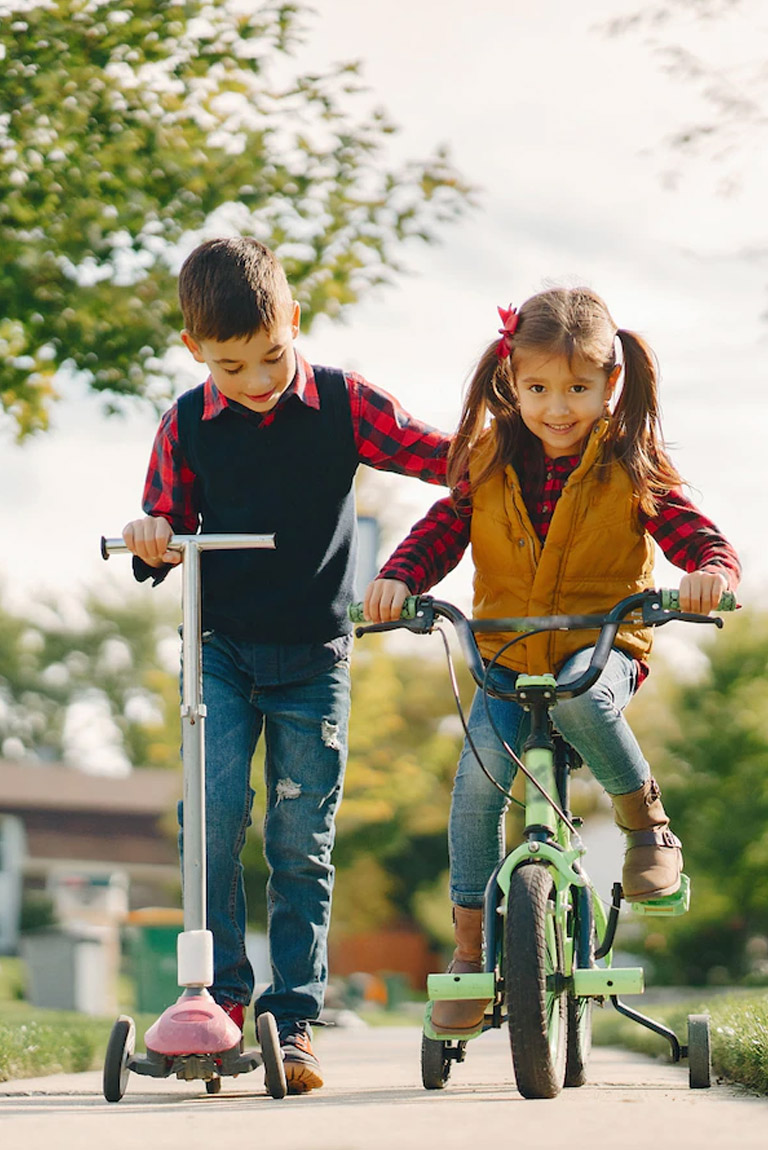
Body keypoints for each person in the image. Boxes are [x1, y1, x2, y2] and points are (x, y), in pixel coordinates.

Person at [363, 286, 740, 1035]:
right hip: (504, 657)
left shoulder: (632, 462)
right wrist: (400, 578)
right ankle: (470, 953)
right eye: (538, 388)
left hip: (602, 652)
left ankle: (647, 829)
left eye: (577, 388)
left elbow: (697, 536)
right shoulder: (489, 458)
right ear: (512, 381)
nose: (557, 407)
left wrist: (711, 576)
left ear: (610, 385)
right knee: (474, 787)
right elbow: (443, 529)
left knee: (580, 697)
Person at [122, 236, 450, 1090]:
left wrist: (522, 451)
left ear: (293, 322)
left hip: (313, 656)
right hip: (221, 652)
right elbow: (163, 529)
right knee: (215, 822)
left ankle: (293, 1019)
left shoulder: (343, 403)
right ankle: (220, 1003)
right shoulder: (187, 423)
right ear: (196, 350)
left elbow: (439, 456)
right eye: (233, 367)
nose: (259, 381)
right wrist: (151, 536)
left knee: (300, 840)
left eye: (272, 356)